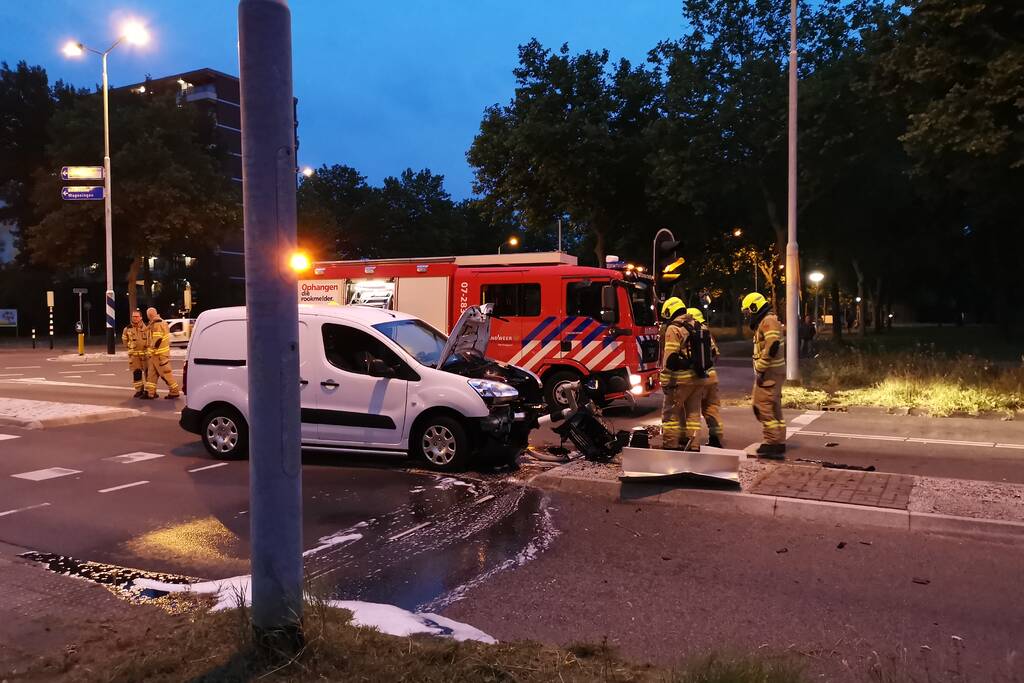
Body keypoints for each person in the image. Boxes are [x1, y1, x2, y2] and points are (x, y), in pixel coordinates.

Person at [742, 292, 786, 458]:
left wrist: (760, 368)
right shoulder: (768, 320)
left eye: (748, 311)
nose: (747, 315)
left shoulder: (767, 321)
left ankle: (772, 442)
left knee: (762, 406)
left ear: (754, 307)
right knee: (774, 408)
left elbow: (772, 346)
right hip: (774, 372)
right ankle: (778, 441)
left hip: (769, 373)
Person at [658, 297, 701, 451]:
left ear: (670, 311)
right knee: (693, 415)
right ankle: (694, 446)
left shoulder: (674, 328)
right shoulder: (696, 324)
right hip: (697, 378)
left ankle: (670, 447)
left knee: (671, 415)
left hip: (679, 380)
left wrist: (664, 381)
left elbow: (670, 358)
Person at [686, 307, 723, 448]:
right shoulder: (706, 331)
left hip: (699, 377)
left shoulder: (691, 332)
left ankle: (692, 442)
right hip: (712, 375)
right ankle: (716, 439)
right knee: (712, 408)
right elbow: (716, 353)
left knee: (692, 411)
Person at [145, 307, 181, 399]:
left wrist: (150, 350)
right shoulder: (159, 322)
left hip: (159, 355)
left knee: (166, 374)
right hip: (156, 355)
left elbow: (157, 340)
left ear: (150, 315)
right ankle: (150, 393)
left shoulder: (157, 324)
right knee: (151, 375)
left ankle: (174, 391)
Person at [121, 310, 148, 398]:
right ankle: (139, 390)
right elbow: (124, 340)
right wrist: (129, 347)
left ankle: (149, 391)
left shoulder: (147, 327)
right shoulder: (127, 329)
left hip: (145, 355)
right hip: (134, 356)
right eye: (133, 316)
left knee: (148, 374)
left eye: (136, 316)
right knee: (137, 374)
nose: (135, 318)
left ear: (141, 317)